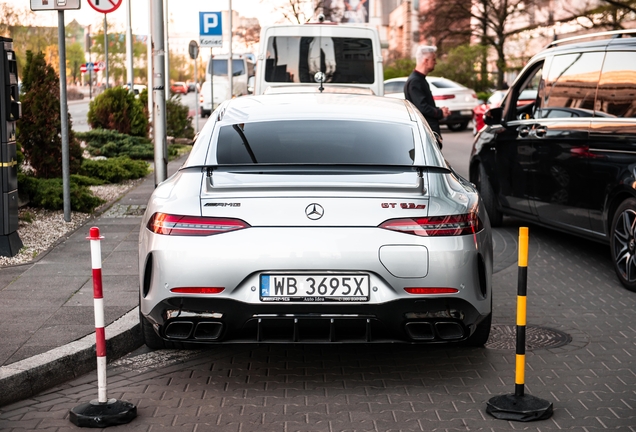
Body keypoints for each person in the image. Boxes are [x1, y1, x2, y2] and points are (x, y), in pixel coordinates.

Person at [404, 45, 450, 138]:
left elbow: (424, 104)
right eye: (433, 59)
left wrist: (439, 110)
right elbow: (422, 108)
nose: (435, 62)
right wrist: (440, 113)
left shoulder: (419, 79)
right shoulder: (415, 81)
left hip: (426, 132)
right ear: (426, 61)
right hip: (425, 133)